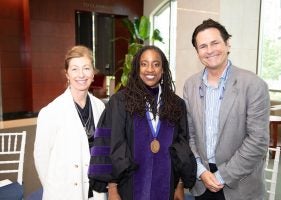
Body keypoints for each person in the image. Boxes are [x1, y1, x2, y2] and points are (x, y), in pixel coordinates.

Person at [88, 45, 196, 200]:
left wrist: (179, 184)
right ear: (137, 69)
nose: (150, 70)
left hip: (166, 185)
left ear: (163, 69)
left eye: (156, 64)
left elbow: (182, 145)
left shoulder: (176, 104)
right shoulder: (120, 102)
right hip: (129, 186)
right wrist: (112, 188)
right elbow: (110, 143)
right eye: (144, 64)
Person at [183, 19, 270, 200]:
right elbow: (189, 135)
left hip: (241, 185)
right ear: (197, 52)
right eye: (203, 46)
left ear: (227, 44)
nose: (210, 50)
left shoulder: (253, 85)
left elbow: (258, 141)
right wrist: (201, 171)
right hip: (202, 182)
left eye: (215, 43)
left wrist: (221, 176)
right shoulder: (190, 85)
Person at [34, 45, 106, 200]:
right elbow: (41, 158)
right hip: (64, 193)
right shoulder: (50, 112)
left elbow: (104, 149)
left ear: (93, 73)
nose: (81, 74)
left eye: (86, 68)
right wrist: (54, 190)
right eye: (74, 69)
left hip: (96, 190)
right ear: (67, 74)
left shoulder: (100, 107)